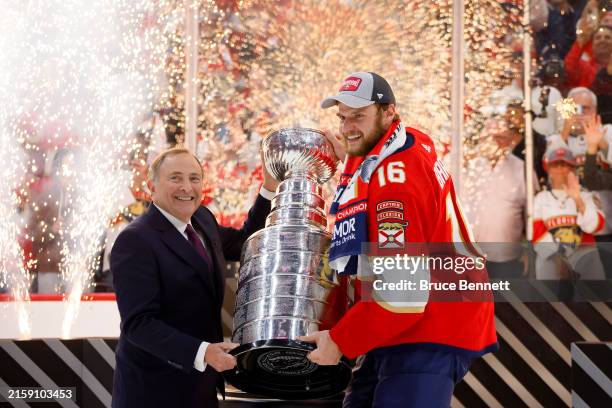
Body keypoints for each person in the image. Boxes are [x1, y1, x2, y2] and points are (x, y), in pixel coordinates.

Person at [300, 72, 498, 407]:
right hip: (405, 323)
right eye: (342, 117)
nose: (348, 127)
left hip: (425, 324)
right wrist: (349, 153)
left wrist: (339, 340)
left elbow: (403, 295)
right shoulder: (405, 142)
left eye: (358, 116)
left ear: (389, 111)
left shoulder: (395, 185)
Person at [110, 146, 278, 408]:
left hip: (200, 389)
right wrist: (203, 352)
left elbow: (247, 242)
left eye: (194, 178)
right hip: (153, 392)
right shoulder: (135, 240)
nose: (186, 187)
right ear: (152, 186)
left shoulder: (202, 219)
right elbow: (139, 324)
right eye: (175, 178)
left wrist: (268, 188)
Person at [533, 147, 606, 281]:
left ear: (573, 169)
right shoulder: (540, 198)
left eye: (565, 164)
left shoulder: (587, 196)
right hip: (551, 262)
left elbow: (595, 226)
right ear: (547, 169)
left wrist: (578, 199)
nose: (560, 168)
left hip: (586, 261)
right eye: (555, 164)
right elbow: (537, 233)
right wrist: (559, 259)